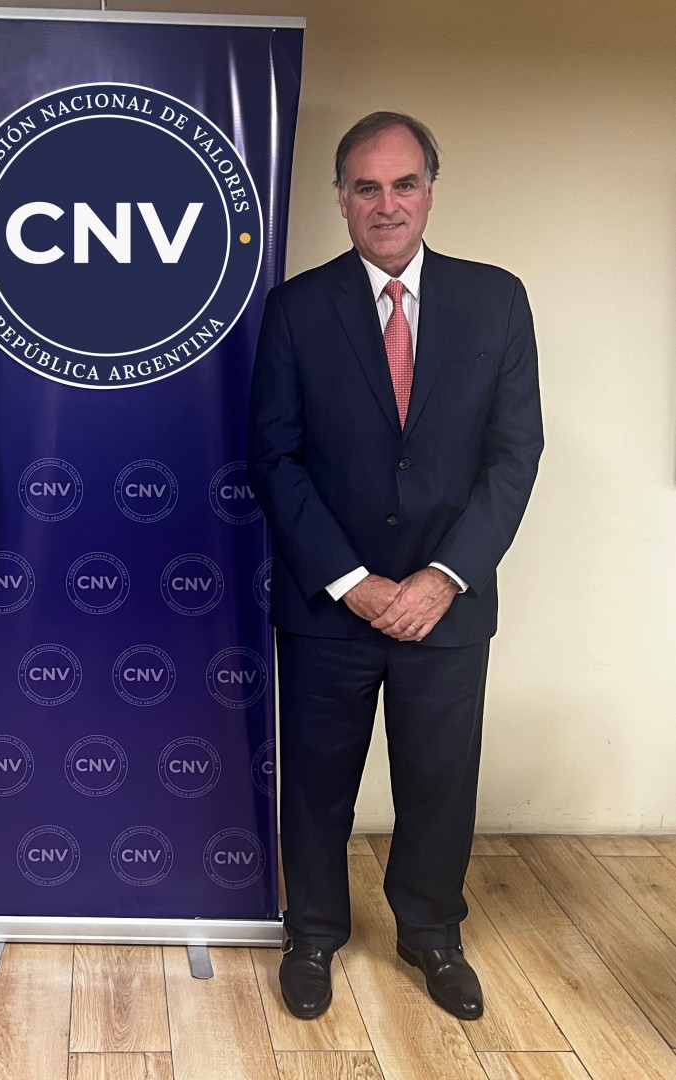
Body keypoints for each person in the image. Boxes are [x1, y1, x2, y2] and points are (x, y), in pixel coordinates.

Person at [247, 112, 542, 1022]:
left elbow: (514, 455)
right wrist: (353, 581)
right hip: (329, 605)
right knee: (316, 785)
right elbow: (273, 458)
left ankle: (430, 934)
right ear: (340, 198)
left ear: (429, 192)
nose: (386, 204)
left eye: (403, 184)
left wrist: (442, 577)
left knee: (438, 783)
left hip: (447, 605)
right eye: (365, 187)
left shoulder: (496, 300)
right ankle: (312, 934)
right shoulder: (296, 308)